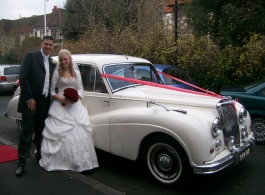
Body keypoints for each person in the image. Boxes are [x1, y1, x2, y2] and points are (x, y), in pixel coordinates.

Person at [39, 49, 99, 172]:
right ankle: (64, 161)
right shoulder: (57, 73)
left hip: (75, 105)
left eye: (65, 59)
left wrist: (76, 97)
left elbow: (80, 88)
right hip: (60, 105)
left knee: (80, 131)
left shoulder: (75, 72)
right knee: (62, 133)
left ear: (70, 59)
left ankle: (83, 162)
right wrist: (61, 99)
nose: (63, 62)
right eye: (61, 60)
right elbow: (51, 91)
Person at [16, 36, 55, 177]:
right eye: (46, 44)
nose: (48, 47)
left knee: (40, 132)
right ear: (41, 44)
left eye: (51, 45)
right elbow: (23, 77)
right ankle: (21, 163)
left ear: (53, 46)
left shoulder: (52, 62)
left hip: (44, 101)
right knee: (26, 132)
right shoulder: (31, 56)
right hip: (30, 101)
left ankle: (39, 157)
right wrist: (29, 98)